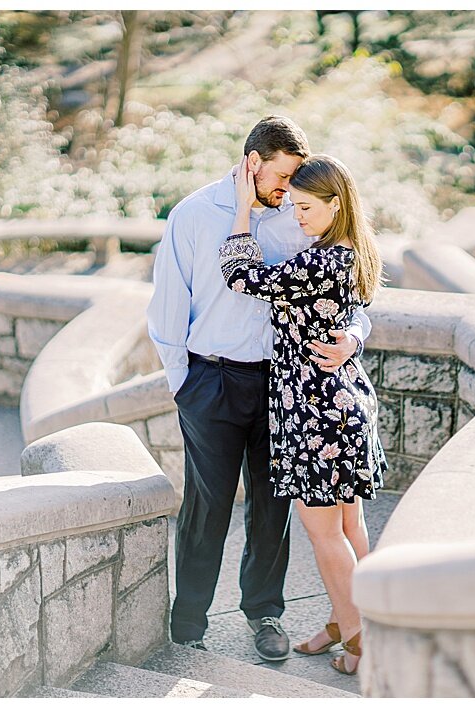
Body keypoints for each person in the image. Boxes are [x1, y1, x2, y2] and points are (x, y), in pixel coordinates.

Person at [147, 116, 371, 662]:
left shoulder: (302, 215)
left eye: (299, 179)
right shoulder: (195, 215)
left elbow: (353, 300)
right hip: (213, 379)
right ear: (253, 162)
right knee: (208, 504)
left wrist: (353, 341)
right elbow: (168, 309)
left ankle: (264, 612)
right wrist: (186, 384)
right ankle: (190, 619)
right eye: (284, 175)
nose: (292, 189)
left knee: (272, 507)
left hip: (287, 386)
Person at [218, 153, 387, 676]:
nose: (297, 215)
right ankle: (347, 620)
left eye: (307, 206)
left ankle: (361, 641)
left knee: (325, 533)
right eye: (293, 204)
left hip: (316, 412)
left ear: (338, 204)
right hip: (338, 402)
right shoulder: (346, 253)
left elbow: (241, 276)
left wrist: (244, 212)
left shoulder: (322, 261)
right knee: (349, 525)